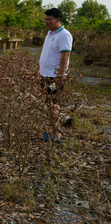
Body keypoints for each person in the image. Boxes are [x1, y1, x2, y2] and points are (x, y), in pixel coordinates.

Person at [37, 8, 73, 143]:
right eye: (45, 19)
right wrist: (38, 69)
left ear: (58, 20)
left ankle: (56, 135)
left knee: (53, 106)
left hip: (53, 76)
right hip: (45, 75)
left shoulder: (64, 35)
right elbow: (46, 54)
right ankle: (54, 132)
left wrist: (60, 76)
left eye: (49, 19)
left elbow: (65, 55)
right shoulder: (49, 33)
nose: (46, 22)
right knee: (50, 105)